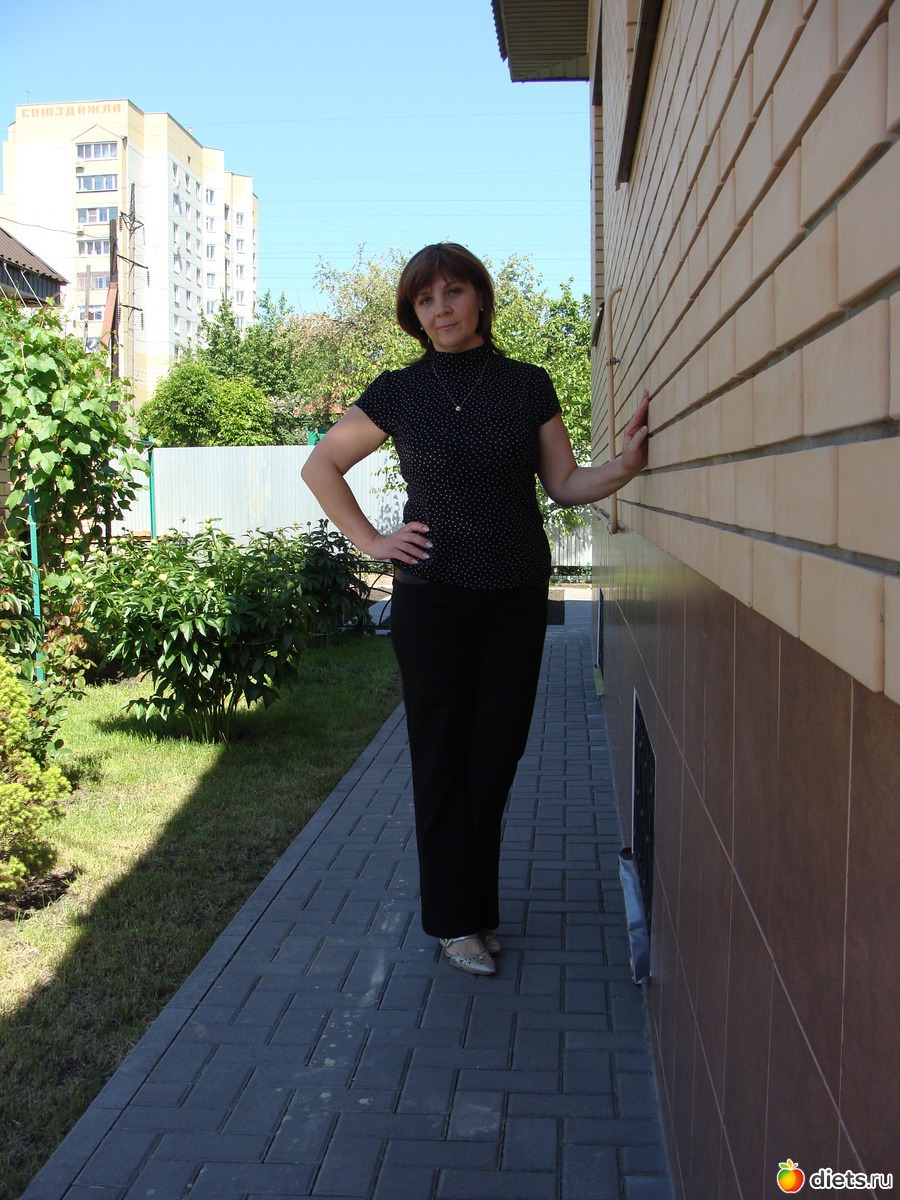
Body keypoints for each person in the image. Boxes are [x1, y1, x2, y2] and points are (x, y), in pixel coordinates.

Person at [301, 243, 650, 976]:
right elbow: (321, 464)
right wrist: (372, 540)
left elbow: (564, 483)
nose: (441, 309)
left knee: (495, 756)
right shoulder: (399, 390)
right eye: (425, 300)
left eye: (453, 292)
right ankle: (457, 922)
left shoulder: (527, 385)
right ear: (414, 314)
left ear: (480, 299)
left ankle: (471, 904)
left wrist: (623, 468)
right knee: (440, 756)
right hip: (433, 600)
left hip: (515, 597)